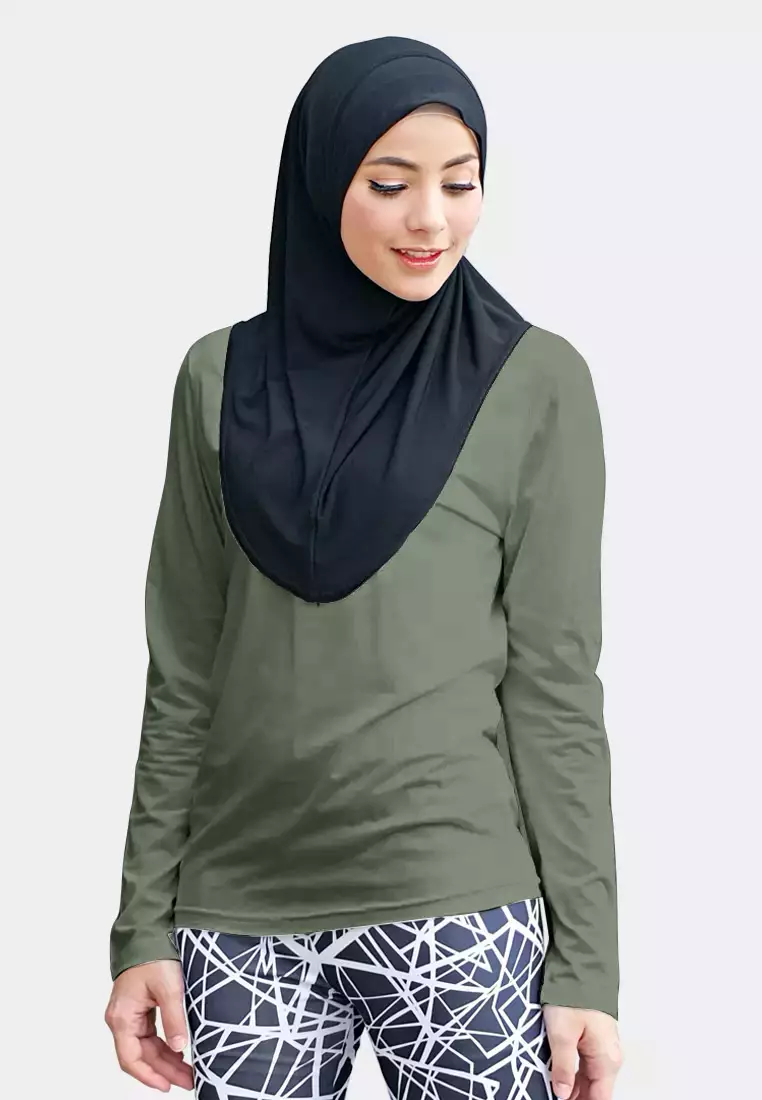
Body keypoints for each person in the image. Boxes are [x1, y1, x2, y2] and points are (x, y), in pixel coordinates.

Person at [104, 35, 623, 1100]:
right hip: (239, 921)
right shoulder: (218, 379)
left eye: (460, 184)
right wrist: (140, 923)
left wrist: (587, 966)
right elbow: (184, 673)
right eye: (389, 184)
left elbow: (557, 688)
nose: (431, 219)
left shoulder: (533, 383)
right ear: (321, 180)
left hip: (458, 909)